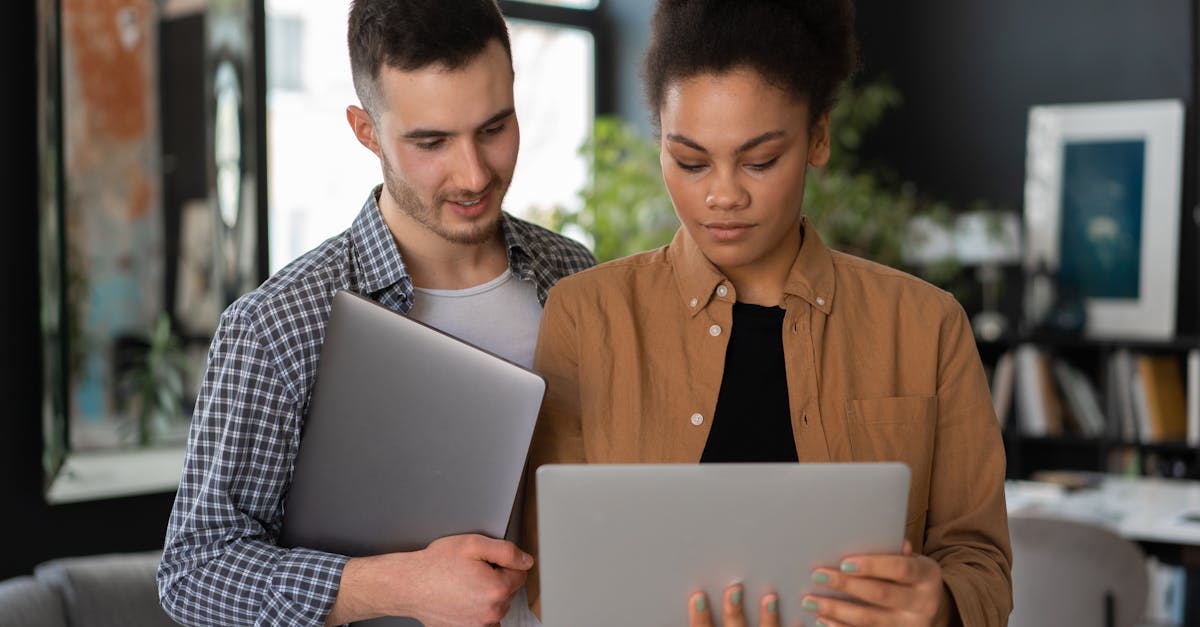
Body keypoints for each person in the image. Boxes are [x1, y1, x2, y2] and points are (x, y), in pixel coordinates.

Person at [522, 1, 1012, 626]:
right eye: (690, 162)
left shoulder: (927, 326)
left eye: (760, 161)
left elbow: (983, 565)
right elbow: (552, 573)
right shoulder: (586, 317)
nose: (723, 194)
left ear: (818, 137)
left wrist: (938, 604)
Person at [156, 1, 594, 625]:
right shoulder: (279, 324)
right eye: (431, 142)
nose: (473, 174)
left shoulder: (573, 272)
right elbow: (195, 571)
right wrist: (398, 586)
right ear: (366, 131)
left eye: (494, 128)